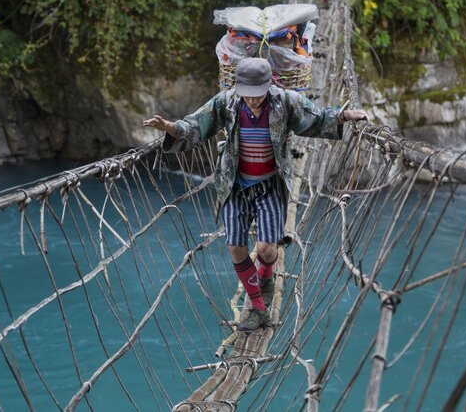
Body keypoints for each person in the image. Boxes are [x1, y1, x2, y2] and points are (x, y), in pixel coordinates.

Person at [143, 58, 367, 331]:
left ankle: (267, 275)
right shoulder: (226, 102)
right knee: (236, 247)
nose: (251, 100)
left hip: (271, 183)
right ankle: (258, 308)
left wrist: (343, 116)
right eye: (246, 95)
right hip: (234, 184)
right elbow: (196, 126)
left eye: (257, 94)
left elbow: (316, 118)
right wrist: (171, 128)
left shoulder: (286, 101)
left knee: (266, 249)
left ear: (269, 85)